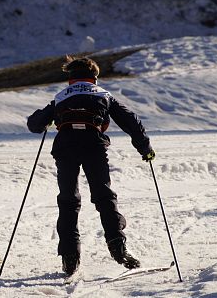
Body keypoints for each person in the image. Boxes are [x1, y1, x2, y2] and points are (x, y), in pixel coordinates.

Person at [27, 57, 155, 276]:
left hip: (65, 146)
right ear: (94, 76)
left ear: (71, 77)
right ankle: (118, 247)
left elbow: (34, 124)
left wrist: (46, 121)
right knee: (104, 196)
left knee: (68, 200)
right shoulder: (103, 94)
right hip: (93, 145)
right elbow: (131, 121)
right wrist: (145, 149)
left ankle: (69, 257)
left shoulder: (60, 97)